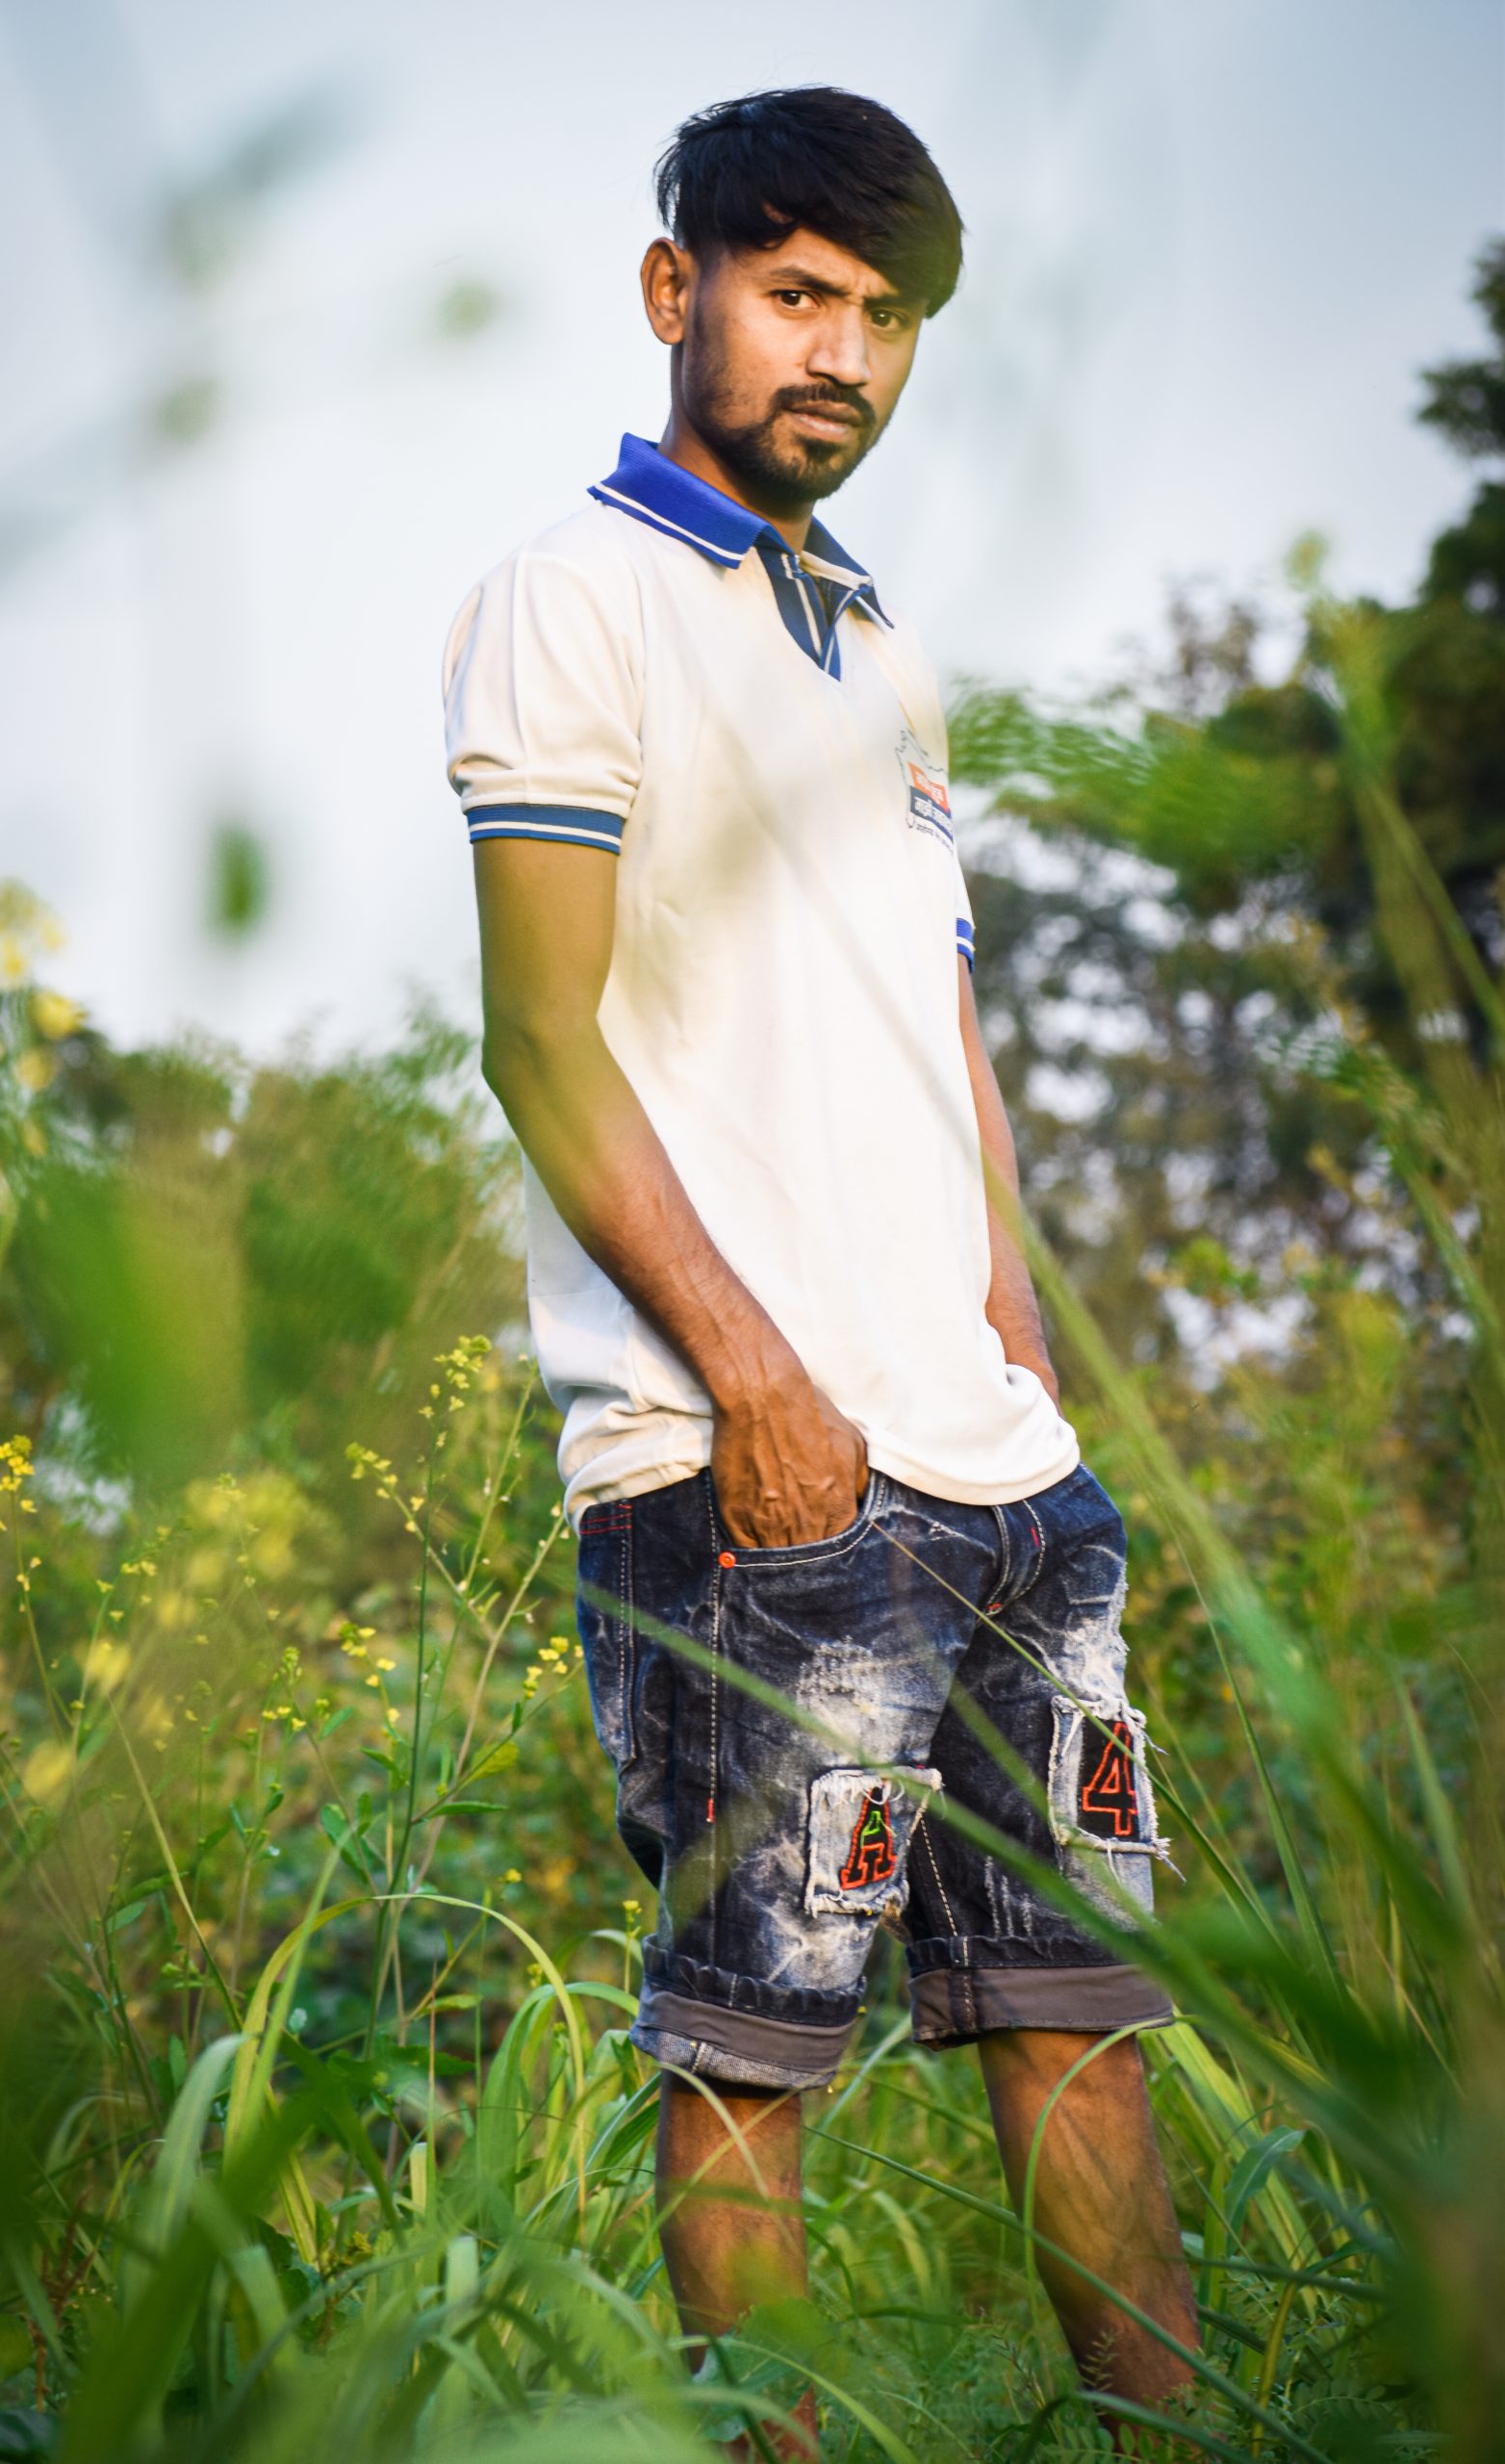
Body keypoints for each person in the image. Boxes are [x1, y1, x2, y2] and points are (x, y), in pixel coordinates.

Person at [444, 85, 1199, 2448]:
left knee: (1077, 2009)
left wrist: (1014, 1320)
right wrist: (760, 1375)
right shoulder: (569, 597)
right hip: (746, 1453)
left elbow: (933, 1016)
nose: (839, 352)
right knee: (756, 2038)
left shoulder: (877, 644)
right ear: (676, 292)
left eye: (879, 316)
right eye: (795, 293)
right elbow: (534, 1037)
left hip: (994, 1467)